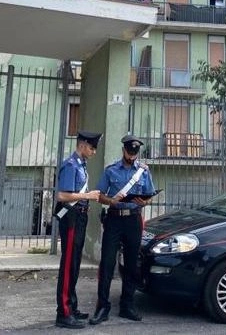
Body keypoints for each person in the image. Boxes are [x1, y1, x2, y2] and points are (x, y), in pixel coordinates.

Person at [89, 134, 156, 325]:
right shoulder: (111, 171)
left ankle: (127, 305)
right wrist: (111, 200)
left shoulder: (143, 172)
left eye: (135, 152)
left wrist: (144, 201)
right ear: (123, 150)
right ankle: (102, 306)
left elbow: (149, 195)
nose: (132, 155)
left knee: (132, 264)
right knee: (108, 263)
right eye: (129, 151)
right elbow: (99, 195)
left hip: (133, 221)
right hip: (114, 220)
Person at [54, 130, 102, 329]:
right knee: (68, 265)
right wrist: (88, 196)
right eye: (91, 148)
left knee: (74, 264)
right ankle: (63, 312)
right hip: (72, 218)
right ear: (82, 145)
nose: (93, 152)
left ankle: (71, 307)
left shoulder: (82, 165)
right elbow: (62, 196)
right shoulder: (71, 165)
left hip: (80, 217)